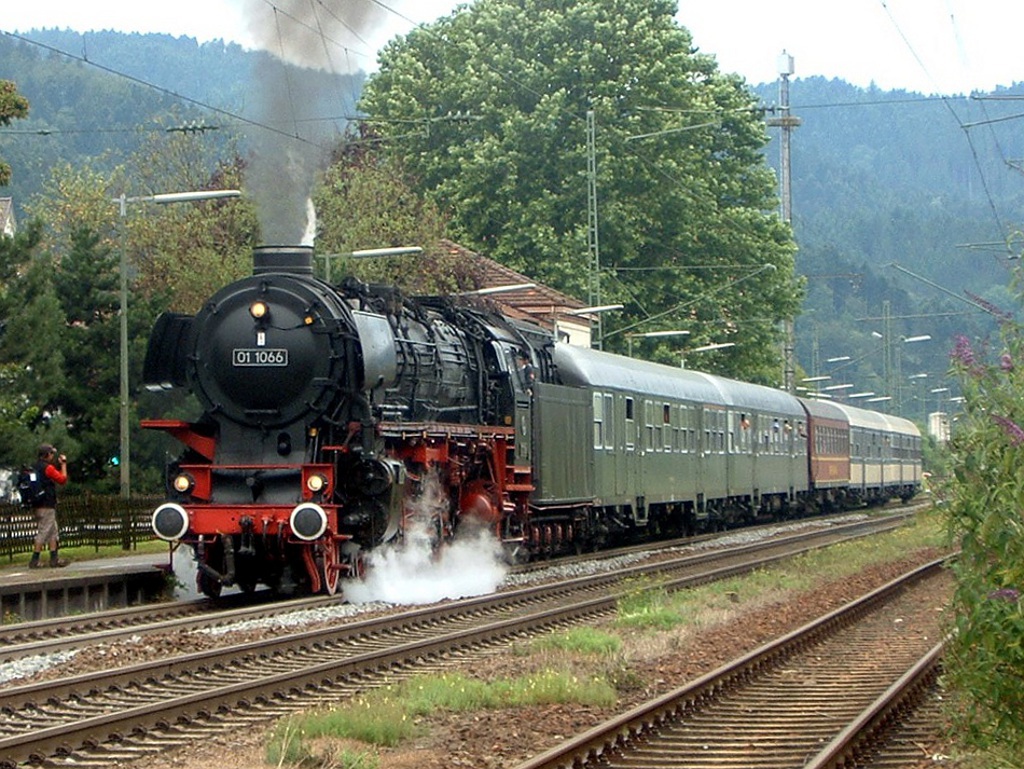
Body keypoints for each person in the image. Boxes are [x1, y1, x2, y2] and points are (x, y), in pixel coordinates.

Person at [28, 443, 69, 569]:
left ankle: (54, 558)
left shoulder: (34, 467)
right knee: (44, 531)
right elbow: (62, 479)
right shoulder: (48, 468)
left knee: (52, 531)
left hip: (37, 504)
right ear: (47, 455)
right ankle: (34, 560)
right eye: (51, 453)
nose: (52, 456)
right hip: (47, 505)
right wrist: (63, 464)